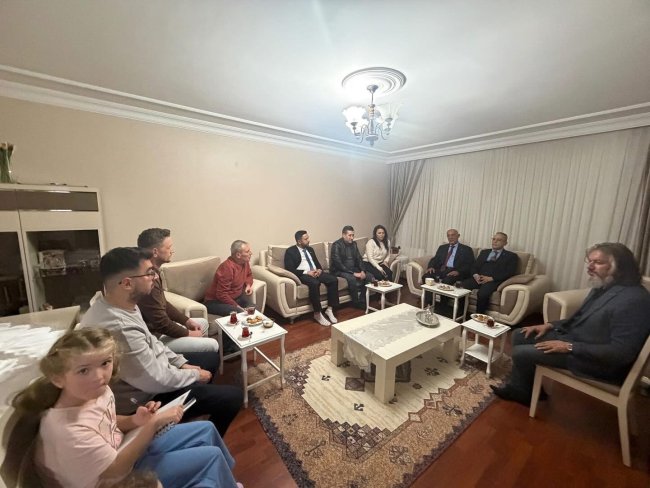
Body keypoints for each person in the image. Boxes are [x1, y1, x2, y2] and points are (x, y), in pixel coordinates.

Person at [13, 328, 243, 488]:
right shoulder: (67, 431)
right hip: (118, 479)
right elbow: (116, 469)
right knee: (211, 457)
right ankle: (221, 477)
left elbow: (109, 420)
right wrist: (152, 424)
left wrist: (135, 420)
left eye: (105, 363)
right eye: (83, 370)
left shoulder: (97, 391)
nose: (99, 376)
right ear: (58, 378)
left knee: (206, 429)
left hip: (126, 447)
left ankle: (226, 480)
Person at [80, 247, 243, 436]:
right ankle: (201, 436)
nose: (155, 277)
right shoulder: (119, 327)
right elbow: (156, 380)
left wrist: (181, 363)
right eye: (149, 273)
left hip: (151, 376)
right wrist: (195, 375)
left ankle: (191, 412)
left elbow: (152, 341)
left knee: (210, 358)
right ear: (127, 283)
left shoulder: (124, 305)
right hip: (143, 401)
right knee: (233, 397)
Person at [492, 243, 650, 406]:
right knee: (520, 334)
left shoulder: (634, 300)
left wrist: (569, 347)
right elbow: (580, 318)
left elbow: (621, 353)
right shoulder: (604, 287)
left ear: (619, 267)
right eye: (590, 261)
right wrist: (550, 325)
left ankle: (522, 393)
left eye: (598, 262)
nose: (590, 267)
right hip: (578, 339)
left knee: (521, 353)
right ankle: (527, 388)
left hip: (597, 362)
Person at [136, 228, 218, 355]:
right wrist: (189, 333)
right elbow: (161, 324)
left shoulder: (154, 271)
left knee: (202, 323)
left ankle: (200, 357)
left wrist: (186, 321)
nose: (172, 251)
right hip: (154, 338)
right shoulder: (146, 280)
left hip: (161, 330)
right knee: (213, 344)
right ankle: (203, 358)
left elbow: (163, 303)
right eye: (169, 247)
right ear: (155, 252)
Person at [284, 230, 339, 326]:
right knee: (315, 283)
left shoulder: (310, 249)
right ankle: (317, 313)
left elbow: (317, 263)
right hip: (303, 274)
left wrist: (319, 270)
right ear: (299, 241)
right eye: (306, 239)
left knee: (333, 280)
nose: (309, 240)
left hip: (315, 272)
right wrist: (307, 272)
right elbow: (290, 269)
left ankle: (329, 309)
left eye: (308, 238)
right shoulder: (290, 251)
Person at [461, 232, 518, 313]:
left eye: (499, 240)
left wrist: (491, 278)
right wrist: (476, 275)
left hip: (493, 280)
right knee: (462, 286)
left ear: (505, 243)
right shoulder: (484, 252)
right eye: (494, 239)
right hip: (479, 278)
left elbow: (509, 272)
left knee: (482, 294)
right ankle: (460, 313)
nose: (495, 241)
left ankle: (478, 317)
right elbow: (474, 266)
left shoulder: (511, 256)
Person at [422, 228, 475, 306]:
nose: (450, 237)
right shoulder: (442, 247)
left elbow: (470, 264)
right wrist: (431, 266)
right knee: (426, 276)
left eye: (453, 235)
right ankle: (429, 304)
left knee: (447, 281)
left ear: (458, 236)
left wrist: (458, 271)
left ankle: (443, 306)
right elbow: (435, 259)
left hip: (454, 271)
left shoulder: (466, 249)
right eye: (448, 235)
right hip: (442, 269)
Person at [204, 240, 255, 316]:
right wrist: (236, 306)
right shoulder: (227, 268)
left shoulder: (245, 262)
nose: (251, 253)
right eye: (247, 252)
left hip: (234, 298)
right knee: (240, 313)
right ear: (238, 255)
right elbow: (221, 294)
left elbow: (249, 275)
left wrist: (248, 285)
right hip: (215, 301)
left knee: (253, 308)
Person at [330, 225, 373, 309]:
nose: (352, 238)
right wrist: (353, 273)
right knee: (352, 278)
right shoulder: (336, 245)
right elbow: (338, 264)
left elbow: (359, 259)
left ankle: (362, 299)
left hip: (352, 268)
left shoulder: (354, 244)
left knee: (369, 276)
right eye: (349, 235)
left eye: (353, 235)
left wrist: (362, 270)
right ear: (343, 235)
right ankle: (356, 302)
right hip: (339, 270)